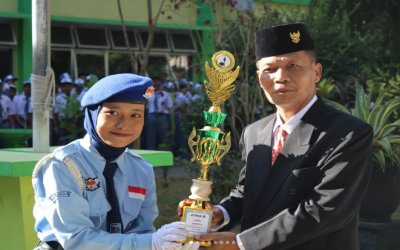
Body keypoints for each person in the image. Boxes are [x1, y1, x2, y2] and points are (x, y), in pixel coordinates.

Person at [178, 23, 373, 250]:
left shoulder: (347, 133)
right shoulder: (254, 132)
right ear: (259, 76)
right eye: (269, 69)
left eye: (293, 65)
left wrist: (243, 243)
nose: (280, 77)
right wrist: (220, 213)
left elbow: (327, 209)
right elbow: (249, 192)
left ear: (316, 72)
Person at [32, 74, 200, 250]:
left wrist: (172, 242)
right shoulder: (62, 166)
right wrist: (151, 242)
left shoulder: (141, 169)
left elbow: (143, 232)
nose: (123, 124)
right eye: (113, 113)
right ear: (93, 114)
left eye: (135, 115)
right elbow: (76, 240)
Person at [146, 77, 173, 150]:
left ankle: (163, 153)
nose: (156, 83)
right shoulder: (149, 92)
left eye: (158, 81)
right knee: (150, 137)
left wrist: (171, 120)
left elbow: (170, 107)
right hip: (151, 116)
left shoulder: (165, 93)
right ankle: (150, 154)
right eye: (154, 81)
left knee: (163, 136)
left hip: (162, 116)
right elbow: (144, 104)